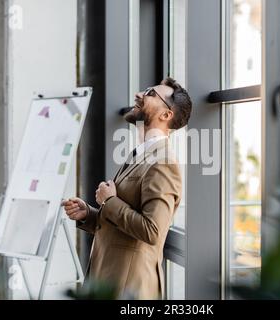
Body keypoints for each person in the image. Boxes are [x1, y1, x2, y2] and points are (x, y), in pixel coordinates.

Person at [62, 77, 192, 299]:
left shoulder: (163, 162)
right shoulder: (141, 154)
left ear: (166, 115)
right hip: (111, 279)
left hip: (130, 288)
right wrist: (90, 214)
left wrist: (109, 202)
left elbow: (152, 231)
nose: (139, 94)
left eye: (151, 93)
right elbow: (123, 228)